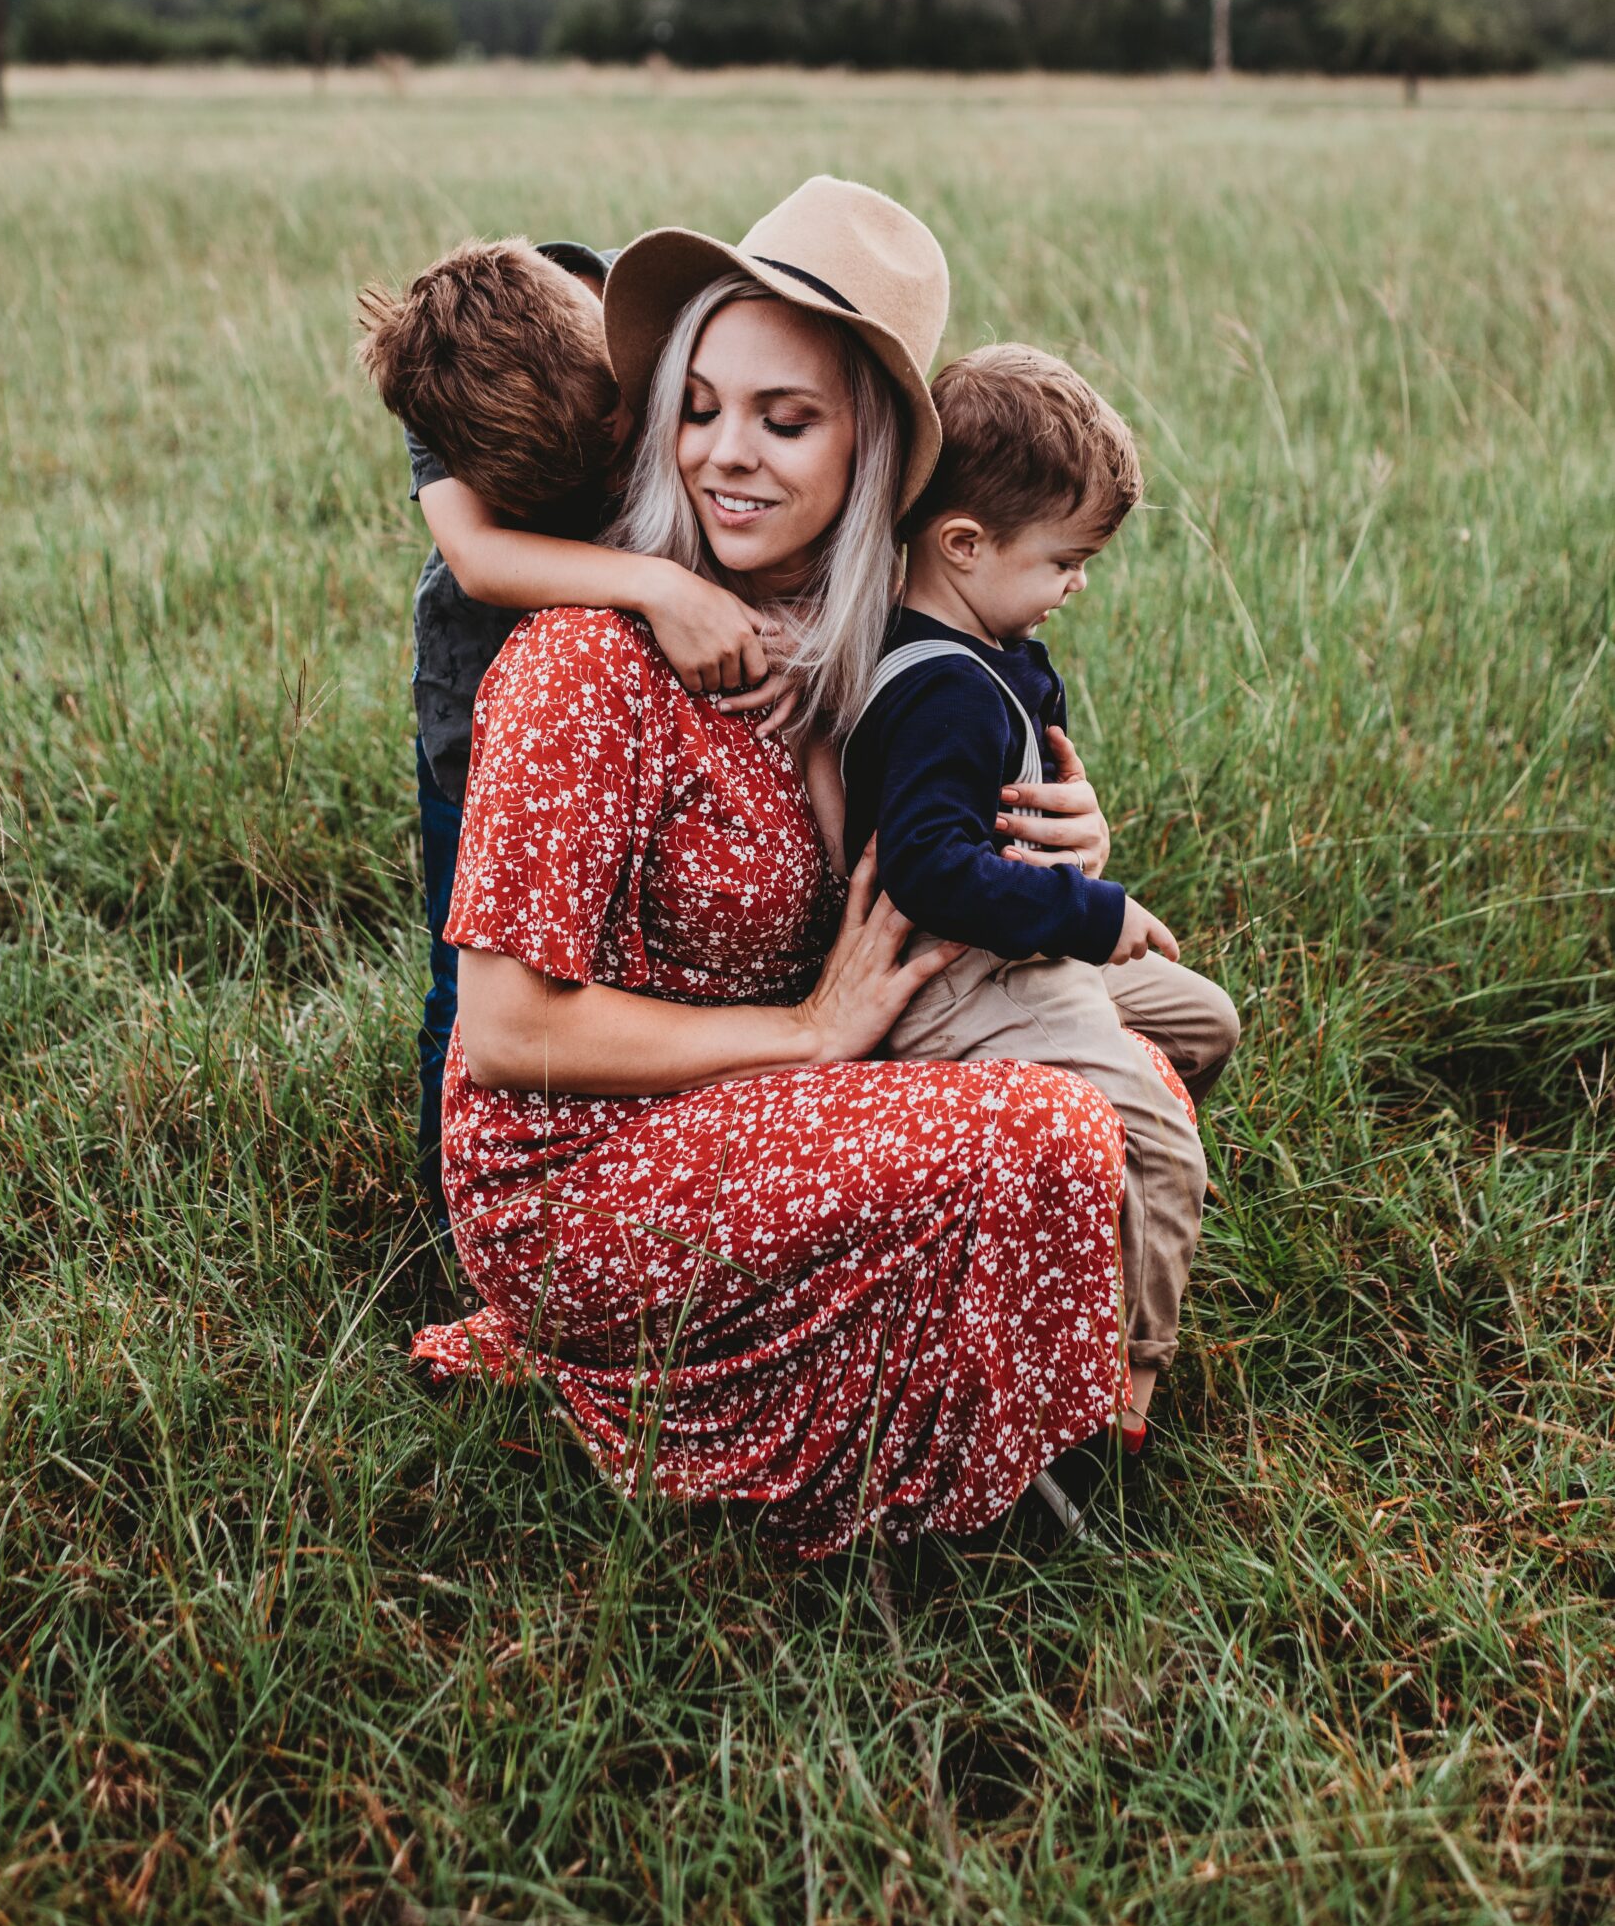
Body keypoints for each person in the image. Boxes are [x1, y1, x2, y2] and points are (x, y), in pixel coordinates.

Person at [409, 175, 1174, 1557]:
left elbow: (958, 841)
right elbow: (507, 1031)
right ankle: (906, 1481)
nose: (723, 456)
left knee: (1129, 1072)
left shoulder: (861, 655)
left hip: (770, 1107)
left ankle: (928, 1389)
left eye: (784, 418)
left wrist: (1073, 833)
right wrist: (809, 1035)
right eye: (697, 408)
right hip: (587, 1174)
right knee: (1052, 1130)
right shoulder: (586, 658)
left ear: (867, 450)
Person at [841, 343, 1240, 1483]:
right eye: (1065, 560)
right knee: (1162, 1139)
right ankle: (1120, 1384)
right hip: (964, 979)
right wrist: (1090, 911)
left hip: (1022, 955)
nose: (1078, 582)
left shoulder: (989, 648)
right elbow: (927, 869)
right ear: (962, 545)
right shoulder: (937, 693)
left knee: (1201, 1021)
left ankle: (1083, 1229)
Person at [356, 236, 782, 1212]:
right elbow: (475, 555)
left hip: (636, 702)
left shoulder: (612, 313)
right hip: (479, 700)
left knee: (629, 939)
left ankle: (627, 1146)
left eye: (619, 420)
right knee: (471, 969)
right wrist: (654, 585)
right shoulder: (448, 377)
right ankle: (453, 1202)